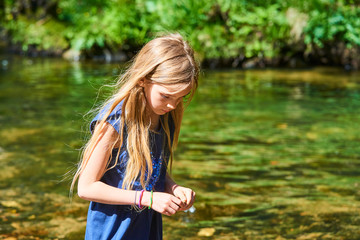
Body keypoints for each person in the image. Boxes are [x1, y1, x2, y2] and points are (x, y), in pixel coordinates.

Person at [71, 33, 199, 239]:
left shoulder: (165, 118)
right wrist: (147, 199)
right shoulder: (115, 122)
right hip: (112, 232)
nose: (172, 105)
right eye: (166, 96)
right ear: (142, 80)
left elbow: (152, 171)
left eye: (180, 98)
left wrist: (172, 187)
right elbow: (86, 188)